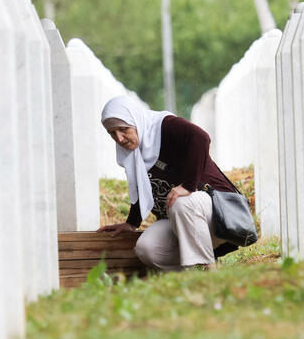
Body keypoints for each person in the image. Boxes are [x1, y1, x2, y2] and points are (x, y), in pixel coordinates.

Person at [97, 95, 240, 270]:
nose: (119, 138)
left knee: (181, 202)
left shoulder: (164, 126)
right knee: (147, 248)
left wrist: (188, 185)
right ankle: (188, 273)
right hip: (180, 219)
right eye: (112, 133)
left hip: (218, 212)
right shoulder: (134, 153)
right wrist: (132, 223)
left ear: (136, 120)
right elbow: (142, 187)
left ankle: (208, 269)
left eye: (124, 129)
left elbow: (201, 137)